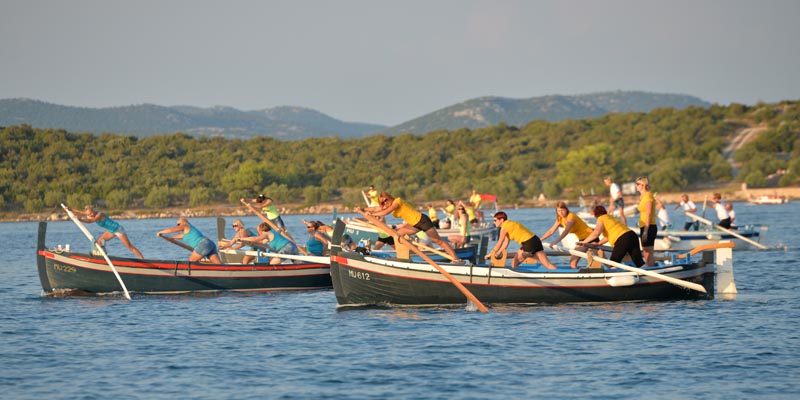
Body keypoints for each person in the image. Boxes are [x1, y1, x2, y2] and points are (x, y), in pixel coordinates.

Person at [357, 191, 461, 262]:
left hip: (422, 220)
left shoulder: (397, 201)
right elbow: (375, 209)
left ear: (389, 198)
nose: (385, 202)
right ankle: (407, 256)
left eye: (386, 200)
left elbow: (385, 212)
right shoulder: (386, 206)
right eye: (383, 202)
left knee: (438, 241)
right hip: (413, 224)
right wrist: (362, 210)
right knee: (397, 235)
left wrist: (372, 215)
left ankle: (456, 259)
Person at [67, 205, 144, 259]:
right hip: (111, 231)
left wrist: (79, 219)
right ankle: (102, 256)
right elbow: (82, 212)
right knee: (98, 242)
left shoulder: (99, 214)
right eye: (89, 214)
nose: (90, 214)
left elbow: (91, 221)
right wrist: (70, 209)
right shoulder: (90, 214)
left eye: (91, 213)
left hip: (118, 229)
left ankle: (142, 259)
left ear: (93, 210)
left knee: (129, 246)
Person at [485, 211, 556, 269]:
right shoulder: (510, 224)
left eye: (495, 220)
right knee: (547, 264)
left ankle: (520, 281)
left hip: (528, 242)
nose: (494, 222)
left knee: (514, 263)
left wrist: (490, 254)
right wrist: (498, 253)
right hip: (536, 240)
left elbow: (499, 243)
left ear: (502, 220)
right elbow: (505, 243)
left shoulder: (504, 227)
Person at [579, 205, 645, 268]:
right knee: (638, 261)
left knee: (614, 262)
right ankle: (647, 272)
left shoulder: (601, 218)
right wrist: (599, 243)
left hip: (622, 238)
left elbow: (596, 233)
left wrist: (584, 242)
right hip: (632, 235)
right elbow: (608, 236)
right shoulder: (610, 217)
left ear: (595, 214)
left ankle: (614, 276)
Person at [539, 201, 597, 269]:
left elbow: (566, 231)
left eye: (562, 210)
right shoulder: (559, 218)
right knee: (572, 263)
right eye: (558, 211)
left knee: (573, 262)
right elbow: (551, 231)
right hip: (582, 239)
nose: (560, 212)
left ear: (566, 209)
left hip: (590, 237)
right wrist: (539, 240)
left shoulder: (571, 216)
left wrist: (555, 242)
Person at [157, 217, 221, 263]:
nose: (178, 226)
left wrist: (160, 232)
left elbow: (172, 230)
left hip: (203, 244)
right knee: (219, 266)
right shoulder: (187, 232)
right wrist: (171, 239)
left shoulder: (185, 226)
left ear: (184, 222)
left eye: (179, 224)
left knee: (191, 263)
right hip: (210, 244)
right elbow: (175, 237)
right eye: (177, 225)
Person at [635, 177, 657, 266]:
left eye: (637, 184)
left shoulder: (648, 196)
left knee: (648, 251)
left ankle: (650, 268)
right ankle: (649, 266)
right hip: (643, 225)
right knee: (645, 250)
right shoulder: (642, 197)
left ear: (643, 185)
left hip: (649, 226)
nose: (636, 186)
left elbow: (648, 214)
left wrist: (645, 231)